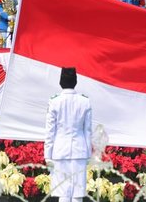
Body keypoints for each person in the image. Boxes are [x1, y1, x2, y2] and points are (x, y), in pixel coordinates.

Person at [44, 67, 92, 202]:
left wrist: (48, 155)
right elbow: (87, 130)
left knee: (63, 193)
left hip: (60, 151)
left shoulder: (54, 101)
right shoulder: (85, 101)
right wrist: (88, 154)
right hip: (80, 151)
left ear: (61, 81)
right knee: (77, 193)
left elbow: (50, 132)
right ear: (75, 81)